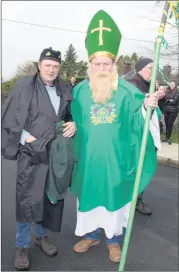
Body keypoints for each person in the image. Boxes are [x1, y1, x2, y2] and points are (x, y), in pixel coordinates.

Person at [70, 10, 160, 263]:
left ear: (114, 65)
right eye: (97, 64)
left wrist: (147, 105)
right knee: (89, 199)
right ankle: (90, 235)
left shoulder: (128, 91)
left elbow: (138, 118)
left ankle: (113, 241)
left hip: (116, 160)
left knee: (113, 200)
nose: (101, 68)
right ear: (90, 65)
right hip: (89, 160)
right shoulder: (79, 91)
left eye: (106, 64)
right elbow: (74, 120)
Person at [1, 47, 76, 270]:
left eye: (55, 66)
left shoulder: (64, 88)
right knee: (27, 198)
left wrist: (74, 124)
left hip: (55, 153)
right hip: (31, 153)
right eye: (47, 65)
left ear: (59, 68)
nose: (51, 69)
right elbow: (10, 117)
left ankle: (41, 236)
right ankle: (22, 245)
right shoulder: (24, 86)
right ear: (39, 65)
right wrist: (26, 138)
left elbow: (70, 115)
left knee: (49, 196)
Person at [128, 58, 165, 216]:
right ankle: (131, 199)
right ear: (141, 69)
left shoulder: (150, 84)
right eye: (150, 68)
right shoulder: (133, 84)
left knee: (143, 168)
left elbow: (156, 111)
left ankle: (137, 198)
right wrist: (152, 96)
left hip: (148, 133)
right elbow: (135, 106)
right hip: (136, 135)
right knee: (135, 168)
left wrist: (159, 97)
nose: (153, 71)